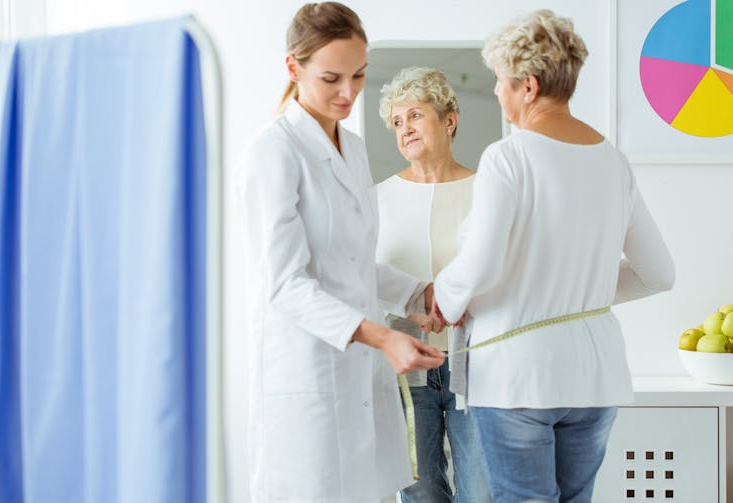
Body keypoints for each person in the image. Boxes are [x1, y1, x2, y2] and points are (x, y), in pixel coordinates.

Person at [431, 10, 675, 503]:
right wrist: (574, 291)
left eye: (500, 81)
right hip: (595, 375)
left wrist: (445, 301)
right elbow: (659, 274)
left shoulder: (509, 156)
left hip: (518, 377)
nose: (497, 93)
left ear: (529, 86)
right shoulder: (613, 161)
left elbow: (480, 263)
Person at [238, 3, 446, 502]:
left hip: (358, 377)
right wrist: (382, 338)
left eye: (359, 74)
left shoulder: (352, 147)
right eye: (332, 78)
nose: (349, 92)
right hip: (306, 372)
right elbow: (286, 282)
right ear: (294, 67)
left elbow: (351, 262)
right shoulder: (274, 151)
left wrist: (421, 293)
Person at [375, 67, 491, 503]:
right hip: (406, 372)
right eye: (397, 122)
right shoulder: (376, 199)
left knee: (480, 493)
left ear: (449, 120)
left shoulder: (488, 191)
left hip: (475, 364)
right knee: (420, 493)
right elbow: (362, 277)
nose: (405, 129)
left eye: (415, 115)